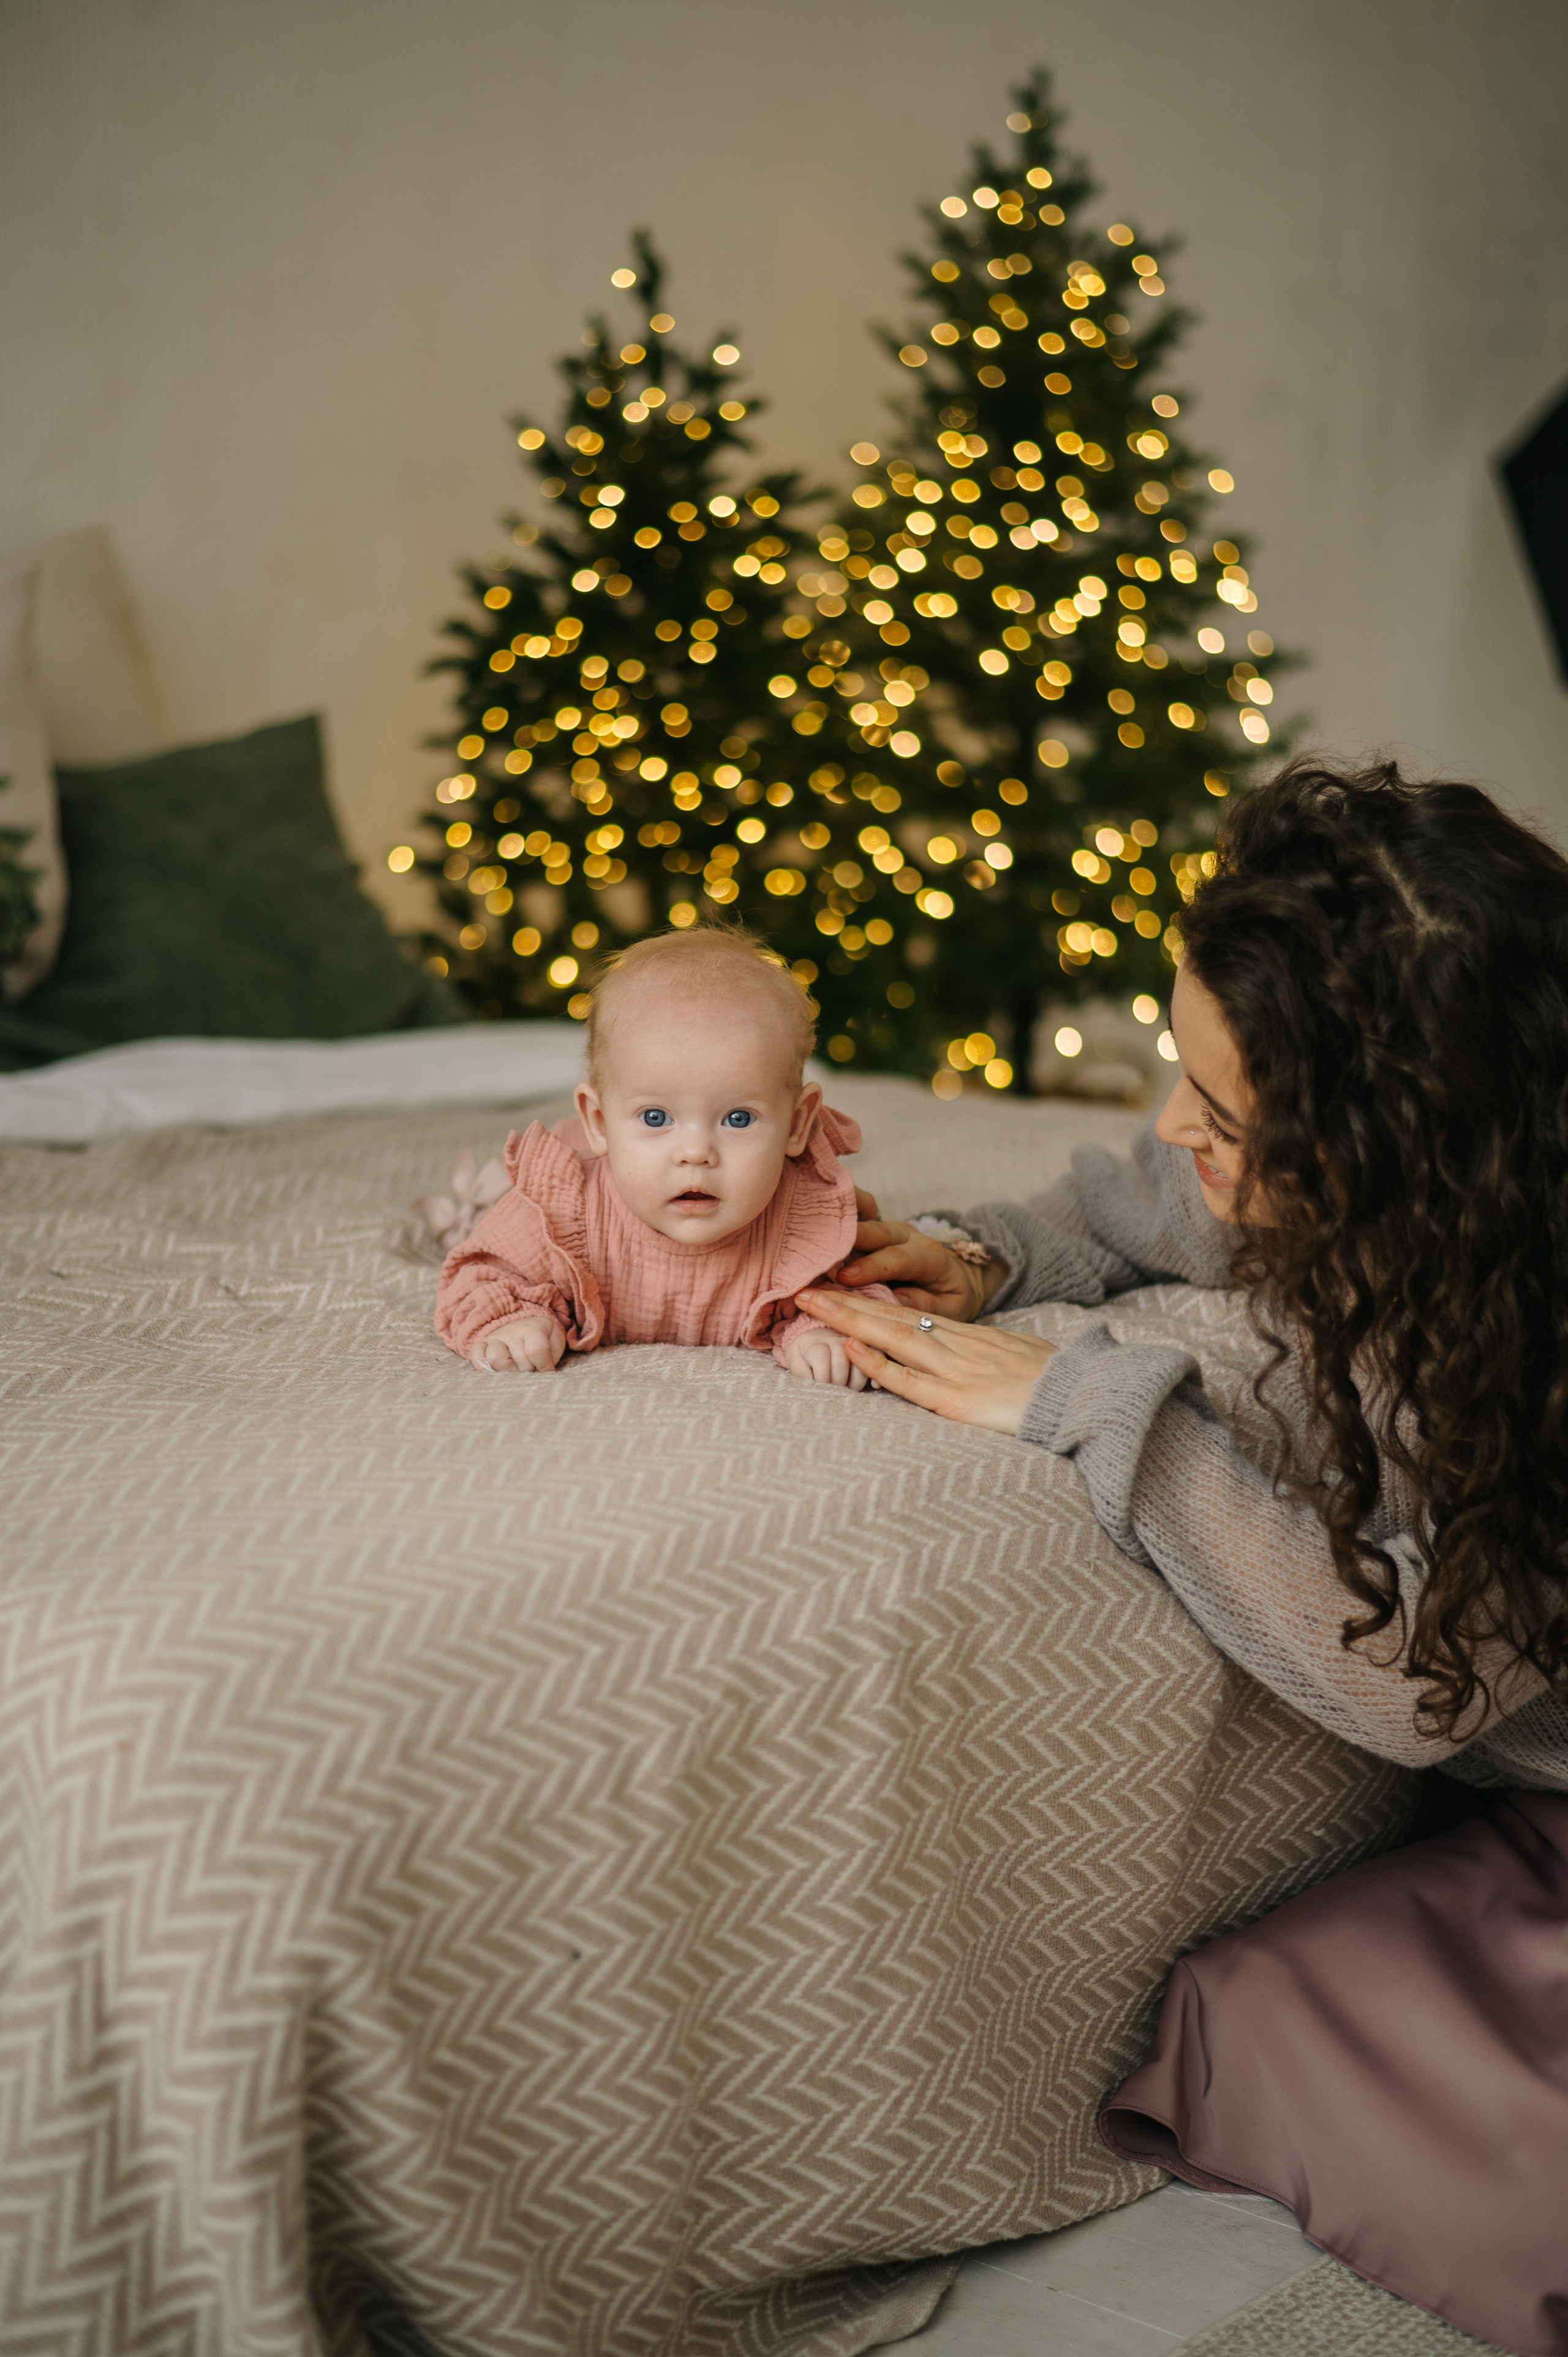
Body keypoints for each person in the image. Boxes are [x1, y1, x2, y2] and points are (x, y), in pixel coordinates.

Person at [801, 758, 1568, 2357]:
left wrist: (1101, 1408)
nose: (1174, 1129)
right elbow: (1155, 1201)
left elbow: (1415, 1681)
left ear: (1400, 1132)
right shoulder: (1407, 1189)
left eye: (1227, 1109)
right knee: (1238, 2017)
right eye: (1183, 1070)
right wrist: (990, 1252)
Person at [434, 925, 894, 1386]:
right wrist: (514, 1322)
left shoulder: (804, 1220)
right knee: (489, 1219)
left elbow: (859, 1294)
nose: (695, 1153)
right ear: (598, 1122)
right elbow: (483, 1273)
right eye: (655, 1118)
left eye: (738, 1119)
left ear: (797, 1124)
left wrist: (822, 1332)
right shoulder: (562, 1213)